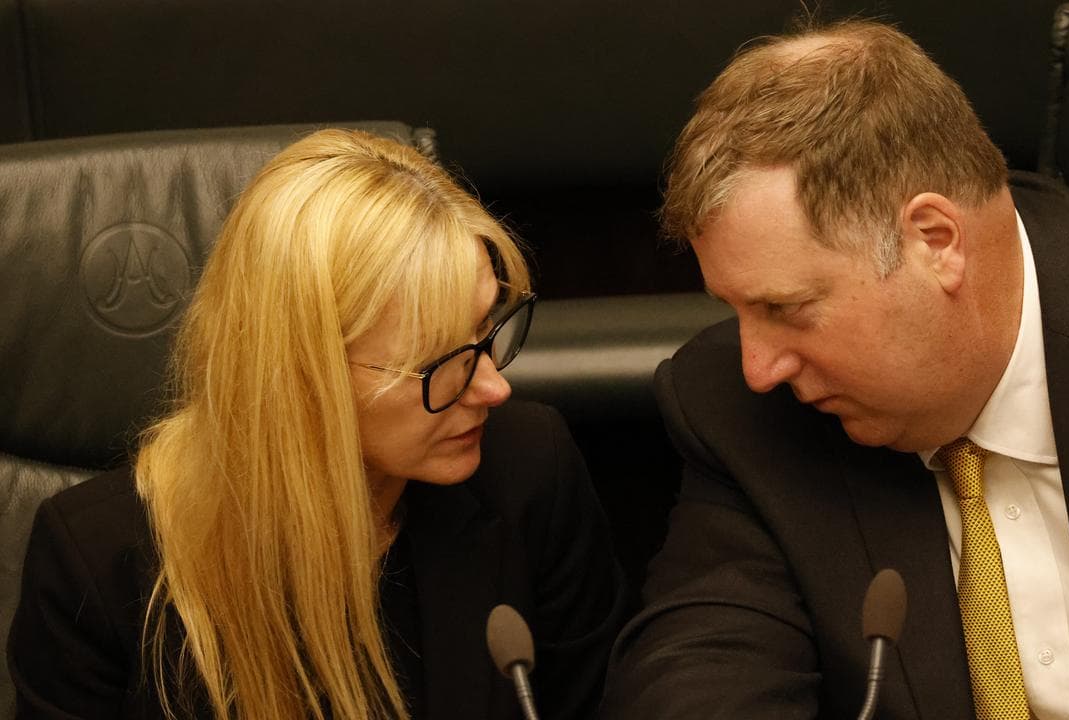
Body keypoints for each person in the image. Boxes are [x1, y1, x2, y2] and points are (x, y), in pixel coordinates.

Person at [600, 18, 1069, 720]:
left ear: (935, 241)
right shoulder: (742, 414)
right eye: (737, 310)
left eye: (787, 308)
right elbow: (698, 674)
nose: (758, 367)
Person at [9, 129, 625, 719]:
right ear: (303, 376)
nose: (494, 387)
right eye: (442, 363)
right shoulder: (96, 564)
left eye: (488, 333)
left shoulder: (529, 470)